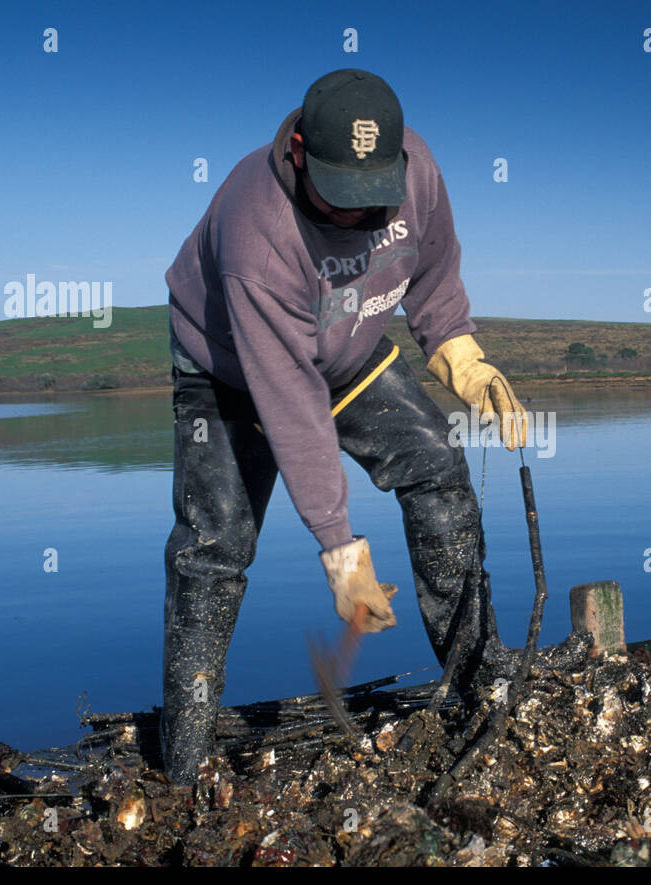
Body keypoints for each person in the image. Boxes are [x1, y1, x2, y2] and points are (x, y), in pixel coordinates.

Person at [160, 68, 527, 784]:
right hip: (232, 371)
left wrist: (458, 347)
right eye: (343, 198)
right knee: (213, 550)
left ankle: (481, 679)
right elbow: (292, 401)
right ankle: (186, 762)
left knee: (438, 468)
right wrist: (341, 550)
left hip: (349, 351)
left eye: (374, 196)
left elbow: (435, 265)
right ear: (298, 150)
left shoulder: (414, 170)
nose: (362, 215)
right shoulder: (257, 238)